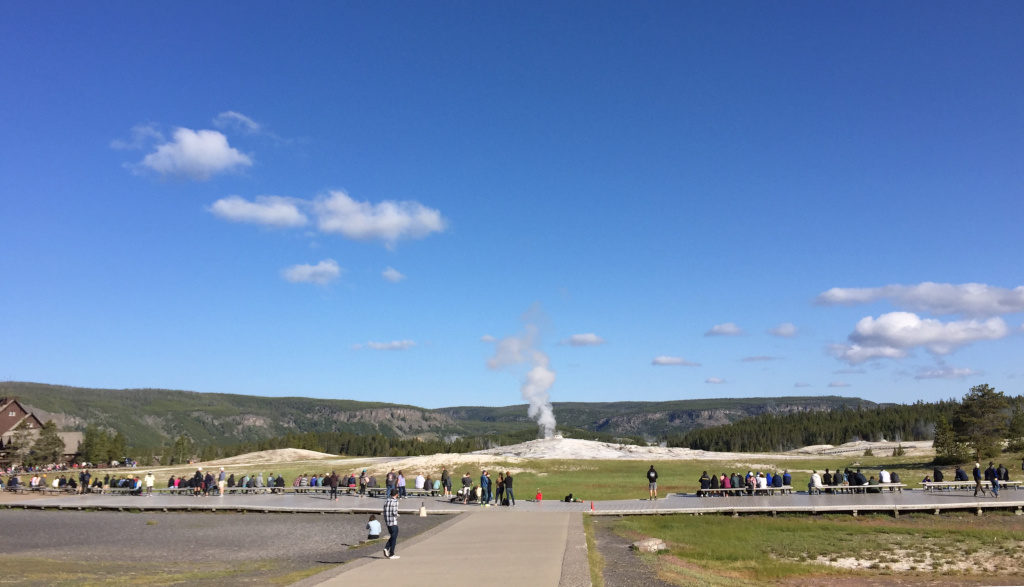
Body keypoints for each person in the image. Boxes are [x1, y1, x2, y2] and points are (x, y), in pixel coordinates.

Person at [382, 489, 400, 559]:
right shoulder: (395, 501)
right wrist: (397, 515)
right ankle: (391, 553)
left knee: (392, 536)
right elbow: (394, 512)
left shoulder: (386, 501)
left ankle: (387, 548)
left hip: (387, 521)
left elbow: (384, 511)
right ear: (396, 494)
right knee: (394, 538)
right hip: (393, 521)